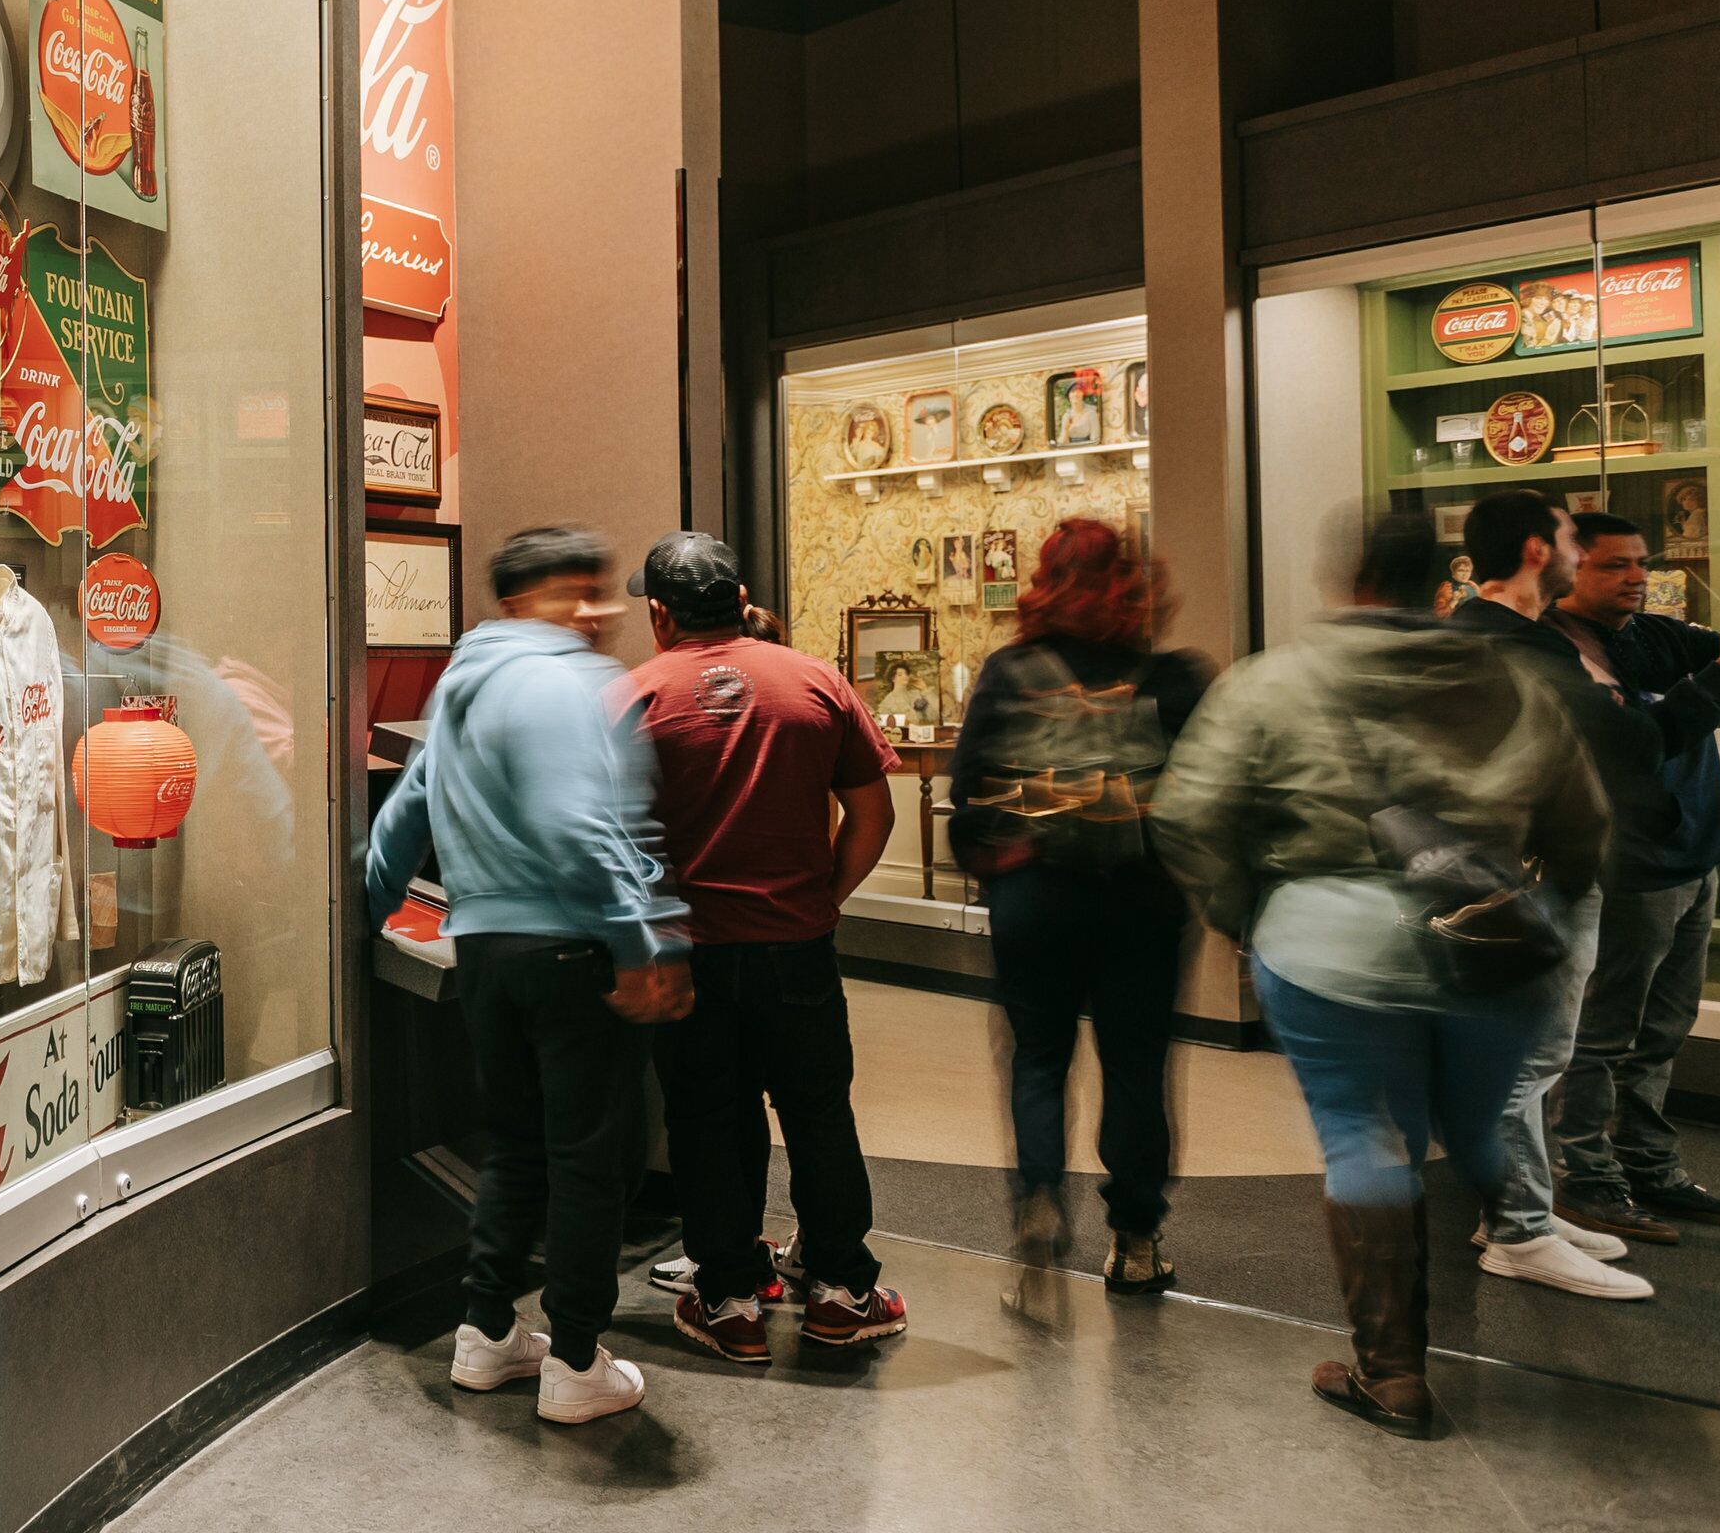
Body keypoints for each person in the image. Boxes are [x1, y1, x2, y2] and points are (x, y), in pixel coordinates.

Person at [1154, 511, 1607, 1437]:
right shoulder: (1512, 677)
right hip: (1488, 947)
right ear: (1439, 584)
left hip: (1329, 943)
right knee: (1472, 1124)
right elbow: (1580, 826)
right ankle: (1495, 1221)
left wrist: (1249, 915)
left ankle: (1392, 1371)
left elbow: (1188, 815)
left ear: (1346, 578)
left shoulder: (1271, 682)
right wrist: (1537, 904)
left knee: (1364, 1137)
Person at [363, 527, 690, 1425]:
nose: (600, 610)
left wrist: (372, 908)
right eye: (575, 593)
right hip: (571, 949)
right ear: (523, 601)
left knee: (514, 1143)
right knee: (590, 1158)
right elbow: (576, 827)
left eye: (601, 591)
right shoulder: (570, 681)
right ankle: (577, 1360)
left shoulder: (465, 680)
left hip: (486, 950)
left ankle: (486, 1335)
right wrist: (637, 944)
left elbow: (407, 812)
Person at [617, 531, 908, 1364]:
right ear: (743, 601)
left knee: (709, 1122)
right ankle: (843, 1293)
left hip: (690, 954)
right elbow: (873, 813)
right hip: (799, 946)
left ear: (661, 615)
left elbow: (604, 839)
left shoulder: (634, 696)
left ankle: (732, 1300)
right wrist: (824, 897)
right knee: (819, 1114)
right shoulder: (815, 679)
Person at [948, 518, 1208, 1295]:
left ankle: (1038, 1198)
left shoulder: (1010, 669)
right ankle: (1134, 1237)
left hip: (1036, 896)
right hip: (1144, 897)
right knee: (1136, 1067)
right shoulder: (1175, 676)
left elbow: (967, 790)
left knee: (1037, 1056)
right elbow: (1207, 794)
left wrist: (1005, 865)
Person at [1550, 510, 1720, 1243]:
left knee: (1665, 1029)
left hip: (1698, 855)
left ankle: (1649, 1166)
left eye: (1641, 562)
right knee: (1606, 1031)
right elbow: (1645, 746)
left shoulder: (1654, 635)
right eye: (1614, 565)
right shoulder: (1552, 652)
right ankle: (1586, 1179)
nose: (1636, 578)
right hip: (1630, 866)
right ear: (1569, 568)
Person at [1442, 491, 1653, 1298]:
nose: (1578, 550)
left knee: (1536, 1055)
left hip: (1537, 868)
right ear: (1537, 550)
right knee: (1522, 1060)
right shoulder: (1512, 643)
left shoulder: (1508, 635)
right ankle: (1519, 1233)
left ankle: (1515, 1208)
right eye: (1569, 537)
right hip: (1529, 874)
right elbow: (1628, 744)